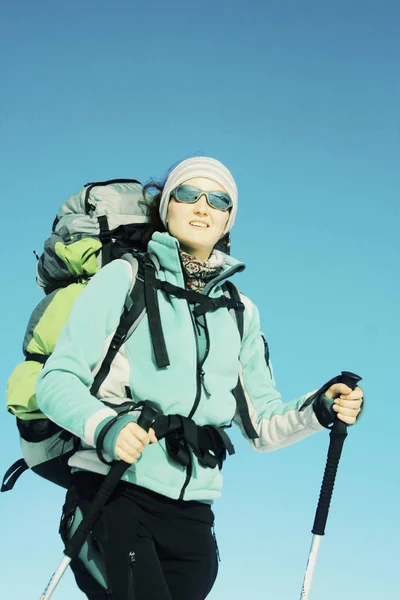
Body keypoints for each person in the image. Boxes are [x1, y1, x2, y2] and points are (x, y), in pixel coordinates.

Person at [35, 156, 363, 600]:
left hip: (193, 516)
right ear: (166, 207)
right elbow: (56, 380)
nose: (202, 206)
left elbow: (262, 424)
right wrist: (108, 428)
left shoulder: (241, 311)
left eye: (219, 199)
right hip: (113, 490)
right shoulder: (124, 278)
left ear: (229, 217)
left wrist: (320, 408)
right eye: (188, 193)